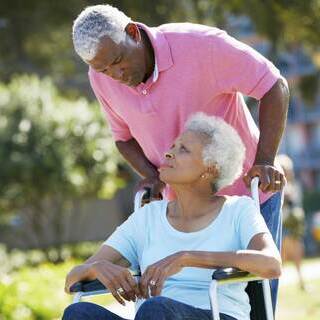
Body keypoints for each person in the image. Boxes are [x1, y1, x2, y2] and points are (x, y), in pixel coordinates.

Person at [72, 4, 289, 308]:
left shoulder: (202, 46)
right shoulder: (102, 78)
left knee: (255, 306)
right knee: (166, 303)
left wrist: (265, 159)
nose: (115, 75)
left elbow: (273, 85)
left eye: (118, 61)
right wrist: (150, 173)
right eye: (103, 69)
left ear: (133, 32)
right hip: (180, 205)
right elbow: (123, 138)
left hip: (248, 190)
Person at [63, 113, 282, 320]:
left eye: (183, 149)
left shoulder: (238, 210)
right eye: (172, 147)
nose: (168, 154)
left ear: (211, 168)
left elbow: (271, 264)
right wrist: (95, 268)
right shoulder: (147, 217)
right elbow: (71, 280)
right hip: (154, 314)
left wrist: (187, 257)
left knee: (156, 308)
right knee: (79, 313)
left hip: (215, 314)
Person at [276, 154, 306, 290]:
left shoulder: (294, 185)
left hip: (294, 227)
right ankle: (277, 284)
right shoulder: (276, 186)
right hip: (283, 226)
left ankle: (301, 282)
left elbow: (297, 203)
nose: (288, 172)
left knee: (298, 253)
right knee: (282, 256)